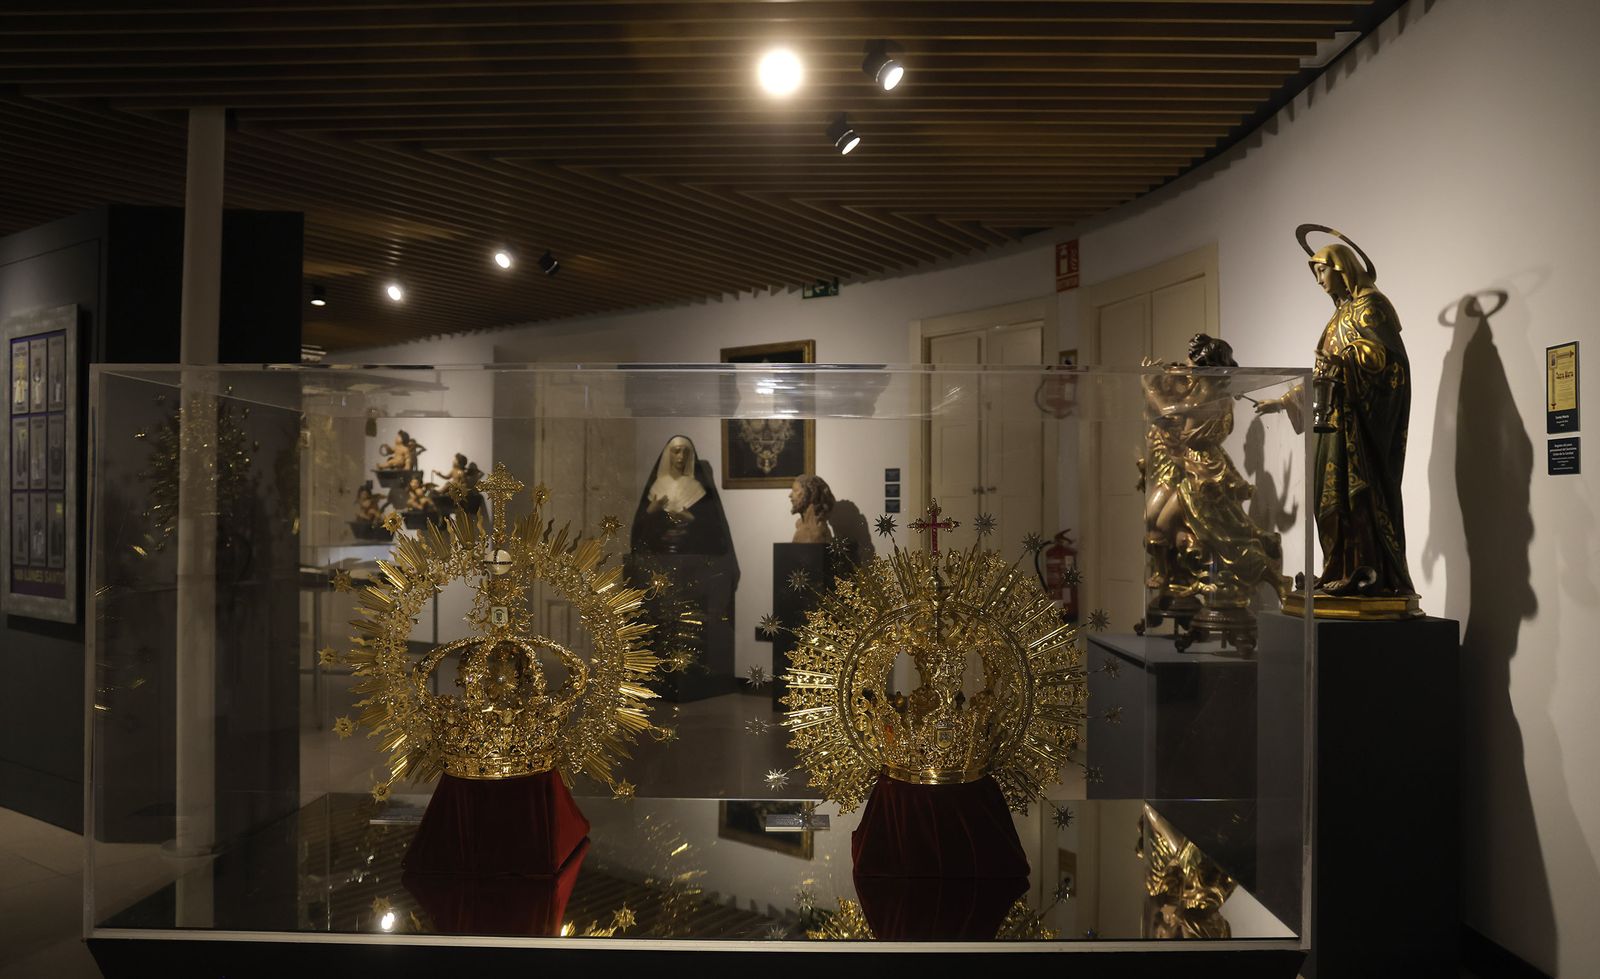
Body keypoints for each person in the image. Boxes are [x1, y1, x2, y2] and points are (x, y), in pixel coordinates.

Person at [1256, 239, 1415, 599]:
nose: (1318, 280)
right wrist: (1283, 402)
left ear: (1342, 268)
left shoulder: (1371, 308)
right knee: (1325, 498)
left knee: (1354, 497)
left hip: (1357, 428)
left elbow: (1392, 365)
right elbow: (1324, 373)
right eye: (1315, 273)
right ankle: (1337, 567)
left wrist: (1351, 360)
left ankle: (1366, 570)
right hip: (1331, 422)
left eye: (1322, 270)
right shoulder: (1337, 317)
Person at [630, 435, 734, 557]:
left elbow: (714, 530)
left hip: (690, 556)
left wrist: (693, 519)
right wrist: (650, 511)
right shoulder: (656, 487)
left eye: (686, 452)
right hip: (659, 555)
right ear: (668, 454)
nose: (681, 456)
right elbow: (639, 532)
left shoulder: (697, 487)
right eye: (676, 451)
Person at [789, 474, 835, 543]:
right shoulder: (801, 526)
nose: (790, 495)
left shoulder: (813, 533)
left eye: (795, 490)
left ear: (811, 495)